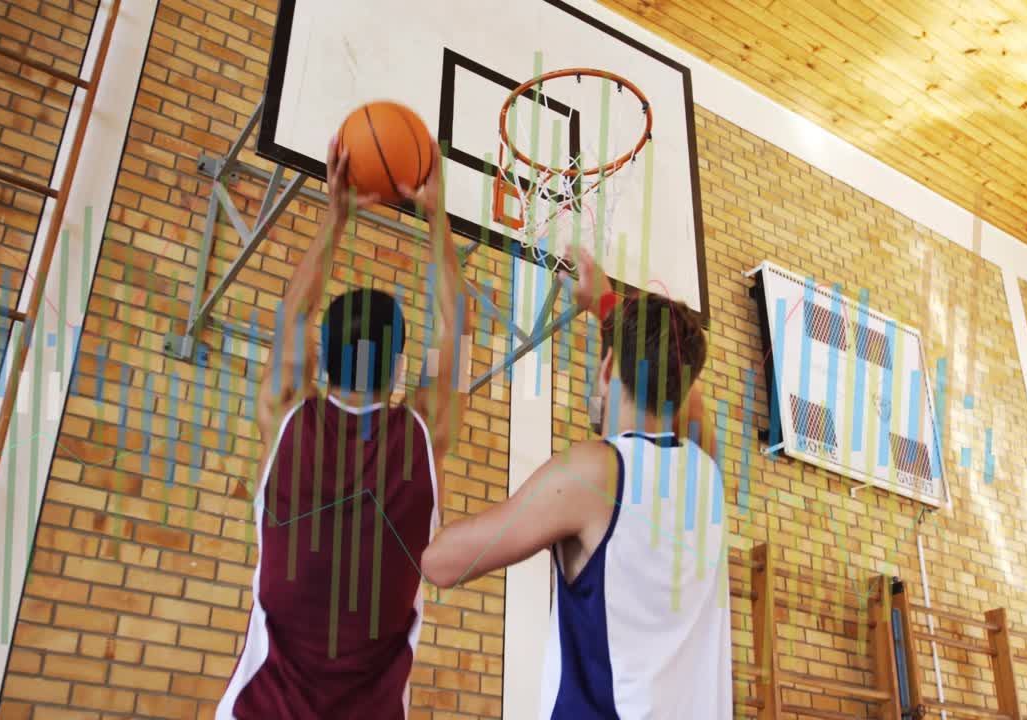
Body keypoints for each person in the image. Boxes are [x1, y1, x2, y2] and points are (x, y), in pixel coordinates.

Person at [421, 247, 732, 719]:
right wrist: (607, 306)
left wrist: (430, 446)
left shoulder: (592, 476)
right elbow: (689, 403)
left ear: (607, 369)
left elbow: (440, 564)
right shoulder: (707, 471)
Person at [217, 138, 470, 720]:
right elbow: (455, 327)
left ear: (321, 357)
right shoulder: (424, 432)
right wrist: (435, 220)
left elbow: (292, 315)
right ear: (402, 364)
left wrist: (335, 215)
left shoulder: (285, 412)